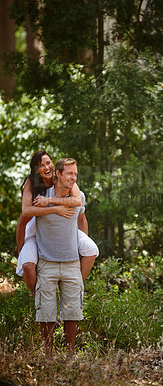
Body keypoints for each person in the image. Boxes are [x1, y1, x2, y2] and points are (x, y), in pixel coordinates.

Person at [16, 151, 98, 296]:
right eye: (41, 165)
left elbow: (78, 205)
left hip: (65, 230)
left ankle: (75, 288)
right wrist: (20, 250)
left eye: (48, 163)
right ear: (35, 169)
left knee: (91, 249)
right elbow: (25, 215)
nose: (46, 167)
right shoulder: (32, 183)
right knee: (28, 265)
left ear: (53, 163)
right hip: (38, 228)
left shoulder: (63, 178)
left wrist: (50, 202)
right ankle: (39, 297)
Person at [35, 158, 87, 357]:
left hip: (72, 262)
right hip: (46, 262)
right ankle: (48, 357)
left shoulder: (78, 196)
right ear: (58, 174)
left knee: (72, 312)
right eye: (69, 174)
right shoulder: (41, 196)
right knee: (46, 313)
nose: (73, 177)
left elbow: (82, 220)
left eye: (75, 174)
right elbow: (25, 218)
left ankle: (70, 357)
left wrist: (84, 248)